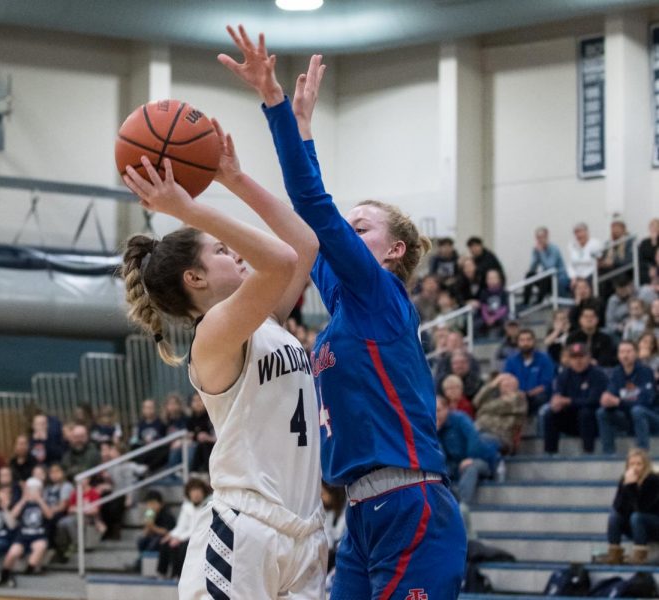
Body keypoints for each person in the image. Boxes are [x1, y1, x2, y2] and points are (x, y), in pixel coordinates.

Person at [221, 33, 465, 597]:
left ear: (395, 249)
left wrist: (275, 104)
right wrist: (301, 133)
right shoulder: (343, 307)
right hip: (359, 511)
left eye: (361, 228)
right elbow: (307, 232)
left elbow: (314, 208)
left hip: (413, 506)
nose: (346, 235)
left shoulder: (381, 296)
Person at [120, 95, 327, 596]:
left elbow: (304, 246)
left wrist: (234, 180)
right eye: (219, 249)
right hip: (245, 530)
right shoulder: (213, 333)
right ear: (194, 277)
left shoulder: (267, 321)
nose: (233, 250)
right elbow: (278, 259)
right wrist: (189, 210)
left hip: (304, 532)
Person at [542, 343, 609, 454]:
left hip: (593, 420)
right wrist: (556, 402)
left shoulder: (598, 374)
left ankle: (588, 451)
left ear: (588, 357)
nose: (578, 361)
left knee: (585, 412)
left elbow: (594, 400)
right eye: (574, 357)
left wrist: (569, 401)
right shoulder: (564, 375)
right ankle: (550, 453)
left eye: (581, 357)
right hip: (571, 419)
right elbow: (558, 395)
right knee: (550, 414)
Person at [435, 396, 500, 507]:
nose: (435, 415)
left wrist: (471, 457)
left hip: (479, 459)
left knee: (471, 468)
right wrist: (435, 434)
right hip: (455, 467)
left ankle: (463, 505)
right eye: (433, 411)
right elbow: (440, 458)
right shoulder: (433, 428)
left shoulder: (460, 419)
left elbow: (473, 439)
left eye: (438, 410)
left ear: (447, 409)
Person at [599, 449, 659, 565]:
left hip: (653, 523)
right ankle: (614, 554)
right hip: (636, 525)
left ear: (645, 465)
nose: (635, 468)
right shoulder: (625, 480)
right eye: (632, 464)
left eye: (639, 464)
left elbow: (642, 508)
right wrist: (626, 486)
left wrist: (631, 486)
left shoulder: (653, 480)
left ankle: (640, 555)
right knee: (614, 516)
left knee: (637, 517)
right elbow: (618, 506)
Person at [597, 341, 656, 454]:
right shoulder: (616, 373)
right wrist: (606, 399)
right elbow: (611, 393)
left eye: (629, 351)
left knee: (638, 411)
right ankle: (608, 453)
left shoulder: (646, 371)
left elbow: (645, 401)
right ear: (618, 355)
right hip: (628, 417)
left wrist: (619, 402)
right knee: (602, 412)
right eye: (622, 352)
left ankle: (643, 452)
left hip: (650, 417)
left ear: (636, 354)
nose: (625, 355)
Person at [0, 478, 52, 587]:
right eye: (30, 489)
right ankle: (4, 576)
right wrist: (24, 499)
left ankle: (29, 571)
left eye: (35, 490)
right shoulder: (22, 503)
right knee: (12, 553)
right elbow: (13, 515)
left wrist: (39, 499)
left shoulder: (43, 502)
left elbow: (49, 515)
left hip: (38, 535)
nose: (33, 492)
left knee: (40, 546)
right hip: (23, 536)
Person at [157, 479, 212, 580]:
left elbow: (197, 529)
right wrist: (171, 535)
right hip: (186, 536)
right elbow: (181, 527)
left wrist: (179, 539)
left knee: (183, 546)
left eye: (198, 491)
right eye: (193, 491)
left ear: (203, 492)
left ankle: (179, 575)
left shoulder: (208, 506)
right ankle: (162, 573)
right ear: (189, 493)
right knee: (165, 542)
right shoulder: (186, 507)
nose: (196, 494)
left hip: (200, 538)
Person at [503, 328, 555, 414]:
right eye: (522, 340)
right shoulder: (511, 361)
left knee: (540, 398)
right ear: (518, 343)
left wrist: (527, 395)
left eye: (528, 339)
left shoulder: (545, 359)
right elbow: (507, 381)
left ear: (534, 341)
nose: (525, 343)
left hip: (537, 398)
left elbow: (546, 384)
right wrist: (518, 395)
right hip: (516, 397)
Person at [473, 373, 528, 454]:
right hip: (480, 431)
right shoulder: (495, 399)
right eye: (504, 384)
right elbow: (476, 402)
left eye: (510, 384)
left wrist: (482, 409)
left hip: (502, 437)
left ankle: (497, 464)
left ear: (516, 386)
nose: (507, 386)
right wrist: (491, 385)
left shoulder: (519, 399)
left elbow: (496, 406)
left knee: (481, 441)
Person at [134, 490, 177, 573]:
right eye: (149, 504)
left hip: (166, 539)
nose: (151, 506)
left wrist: (153, 527)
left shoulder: (167, 515)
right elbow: (146, 533)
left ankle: (142, 564)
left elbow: (166, 532)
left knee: (154, 542)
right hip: (153, 536)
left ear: (161, 504)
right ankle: (141, 561)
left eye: (153, 503)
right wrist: (148, 526)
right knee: (141, 541)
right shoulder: (151, 514)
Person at [524, 226, 569, 304]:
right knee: (529, 275)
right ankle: (525, 301)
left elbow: (550, 267)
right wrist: (535, 255)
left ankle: (539, 301)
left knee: (545, 275)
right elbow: (532, 268)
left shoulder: (554, 248)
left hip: (557, 279)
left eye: (542, 237)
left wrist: (541, 252)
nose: (540, 240)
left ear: (547, 237)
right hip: (546, 279)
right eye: (538, 238)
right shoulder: (537, 249)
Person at [132, 398, 169, 471]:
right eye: (146, 408)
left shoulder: (161, 423)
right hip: (144, 449)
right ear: (143, 410)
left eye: (150, 407)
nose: (148, 410)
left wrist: (154, 440)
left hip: (156, 449)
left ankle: (148, 468)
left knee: (164, 450)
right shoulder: (140, 424)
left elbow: (164, 438)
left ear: (155, 409)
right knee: (134, 448)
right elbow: (136, 439)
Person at [186, 393, 215, 474]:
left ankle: (205, 472)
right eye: (195, 400)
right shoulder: (190, 419)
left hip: (212, 445)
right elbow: (190, 435)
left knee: (204, 444)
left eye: (200, 400)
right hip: (196, 447)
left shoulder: (211, 416)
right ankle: (191, 472)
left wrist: (208, 438)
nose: (198, 403)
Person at [566, 222, 602, 287]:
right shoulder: (572, 245)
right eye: (576, 233)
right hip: (576, 276)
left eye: (580, 232)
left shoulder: (595, 243)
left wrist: (583, 279)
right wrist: (573, 277)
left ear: (586, 232)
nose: (578, 235)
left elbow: (598, 262)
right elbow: (570, 265)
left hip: (590, 274)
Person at [477, 269, 509, 338]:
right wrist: (487, 318)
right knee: (477, 323)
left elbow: (504, 308)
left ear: (499, 280)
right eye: (489, 278)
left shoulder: (503, 292)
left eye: (494, 278)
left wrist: (494, 318)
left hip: (500, 316)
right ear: (486, 281)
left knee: (506, 320)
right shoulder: (484, 292)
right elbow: (483, 307)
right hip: (487, 316)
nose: (492, 280)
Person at [638, 219, 659, 285]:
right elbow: (640, 258)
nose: (654, 229)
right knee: (640, 272)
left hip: (657, 267)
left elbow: (656, 257)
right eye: (652, 227)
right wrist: (649, 267)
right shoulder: (644, 242)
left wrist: (655, 241)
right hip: (647, 267)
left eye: (656, 227)